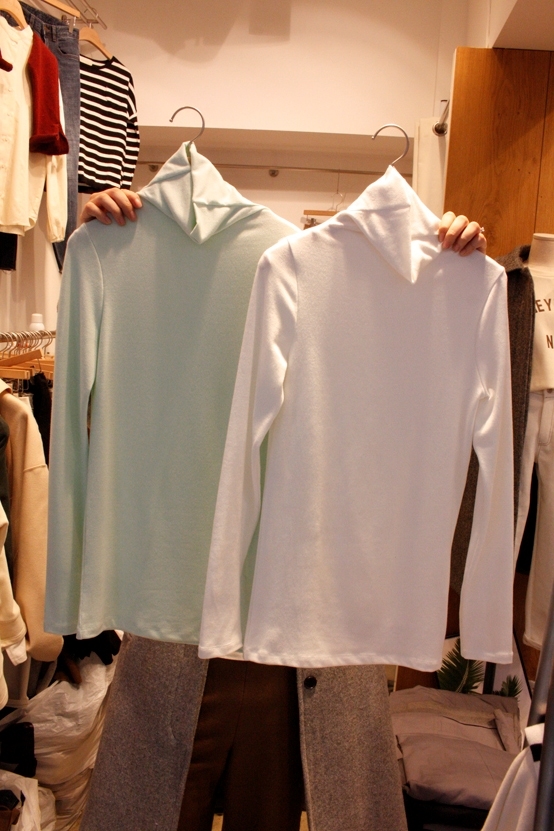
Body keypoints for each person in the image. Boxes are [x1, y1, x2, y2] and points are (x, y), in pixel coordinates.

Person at [76, 184, 488, 831]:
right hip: (177, 636)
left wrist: (443, 256)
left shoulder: (345, 284)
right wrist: (100, 253)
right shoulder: (158, 277)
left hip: (305, 650)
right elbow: (102, 415)